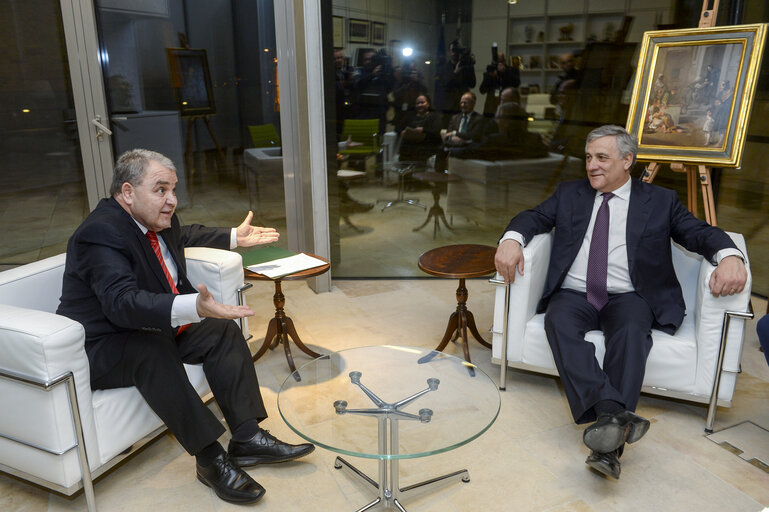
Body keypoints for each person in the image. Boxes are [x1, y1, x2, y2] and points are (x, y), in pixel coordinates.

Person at [57, 149, 315, 504]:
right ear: (128, 192)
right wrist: (191, 305)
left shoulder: (154, 219)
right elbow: (120, 303)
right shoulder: (100, 233)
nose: (172, 201)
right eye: (161, 190)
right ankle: (211, 460)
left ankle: (246, 437)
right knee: (153, 349)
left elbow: (185, 233)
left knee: (222, 330)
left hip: (149, 328)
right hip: (102, 345)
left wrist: (234, 237)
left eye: (174, 190)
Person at [494, 125, 747, 480]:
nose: (591, 166)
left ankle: (608, 444)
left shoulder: (660, 201)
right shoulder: (570, 194)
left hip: (630, 295)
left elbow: (698, 232)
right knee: (558, 322)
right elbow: (533, 216)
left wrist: (730, 255)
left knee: (631, 333)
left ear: (627, 161)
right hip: (575, 292)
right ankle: (615, 417)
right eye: (588, 157)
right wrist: (512, 238)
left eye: (602, 157)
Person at [436, 91, 496, 170]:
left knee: (455, 151)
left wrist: (455, 133)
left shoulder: (480, 119)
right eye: (461, 103)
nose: (463, 105)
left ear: (473, 104)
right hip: (453, 144)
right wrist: (452, 139)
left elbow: (474, 135)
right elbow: (448, 135)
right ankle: (439, 176)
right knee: (440, 149)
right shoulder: (455, 118)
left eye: (465, 103)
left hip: (468, 146)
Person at [434, 39, 476, 116]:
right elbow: (445, 85)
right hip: (448, 107)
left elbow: (472, 84)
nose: (454, 53)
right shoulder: (444, 68)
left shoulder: (465, 67)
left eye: (456, 50)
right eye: (452, 50)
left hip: (463, 105)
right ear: (449, 52)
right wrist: (455, 73)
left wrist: (470, 66)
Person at [397, 94, 443, 164]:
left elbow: (436, 131)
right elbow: (398, 127)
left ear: (428, 104)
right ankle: (405, 172)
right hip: (409, 145)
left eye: (422, 102)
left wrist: (423, 130)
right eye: (417, 103)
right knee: (405, 150)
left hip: (427, 145)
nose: (419, 105)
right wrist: (402, 131)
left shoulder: (435, 116)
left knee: (418, 151)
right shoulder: (410, 116)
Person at [479, 51, 520, 116]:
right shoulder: (489, 72)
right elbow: (482, 90)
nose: (497, 64)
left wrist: (504, 73)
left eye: (499, 62)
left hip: (507, 106)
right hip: (491, 108)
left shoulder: (512, 71)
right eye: (495, 62)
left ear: (504, 61)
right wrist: (491, 77)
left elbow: (516, 84)